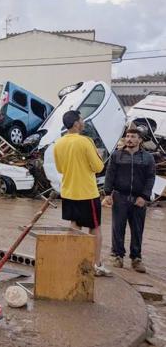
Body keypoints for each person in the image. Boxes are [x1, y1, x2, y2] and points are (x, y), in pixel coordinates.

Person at [53, 110, 111, 277]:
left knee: (74, 225)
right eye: (82, 120)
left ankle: (73, 261)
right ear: (77, 123)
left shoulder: (59, 143)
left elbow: (59, 169)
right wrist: (98, 156)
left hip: (68, 191)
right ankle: (96, 264)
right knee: (95, 228)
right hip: (87, 192)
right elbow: (98, 167)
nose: (84, 122)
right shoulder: (86, 141)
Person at [103, 128, 156, 273]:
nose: (129, 139)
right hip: (120, 196)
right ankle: (117, 256)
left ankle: (136, 258)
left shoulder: (147, 158)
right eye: (127, 136)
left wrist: (144, 196)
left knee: (138, 229)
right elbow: (110, 174)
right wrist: (107, 193)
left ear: (140, 140)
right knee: (118, 228)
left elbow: (151, 178)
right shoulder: (117, 156)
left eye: (133, 136)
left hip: (139, 199)